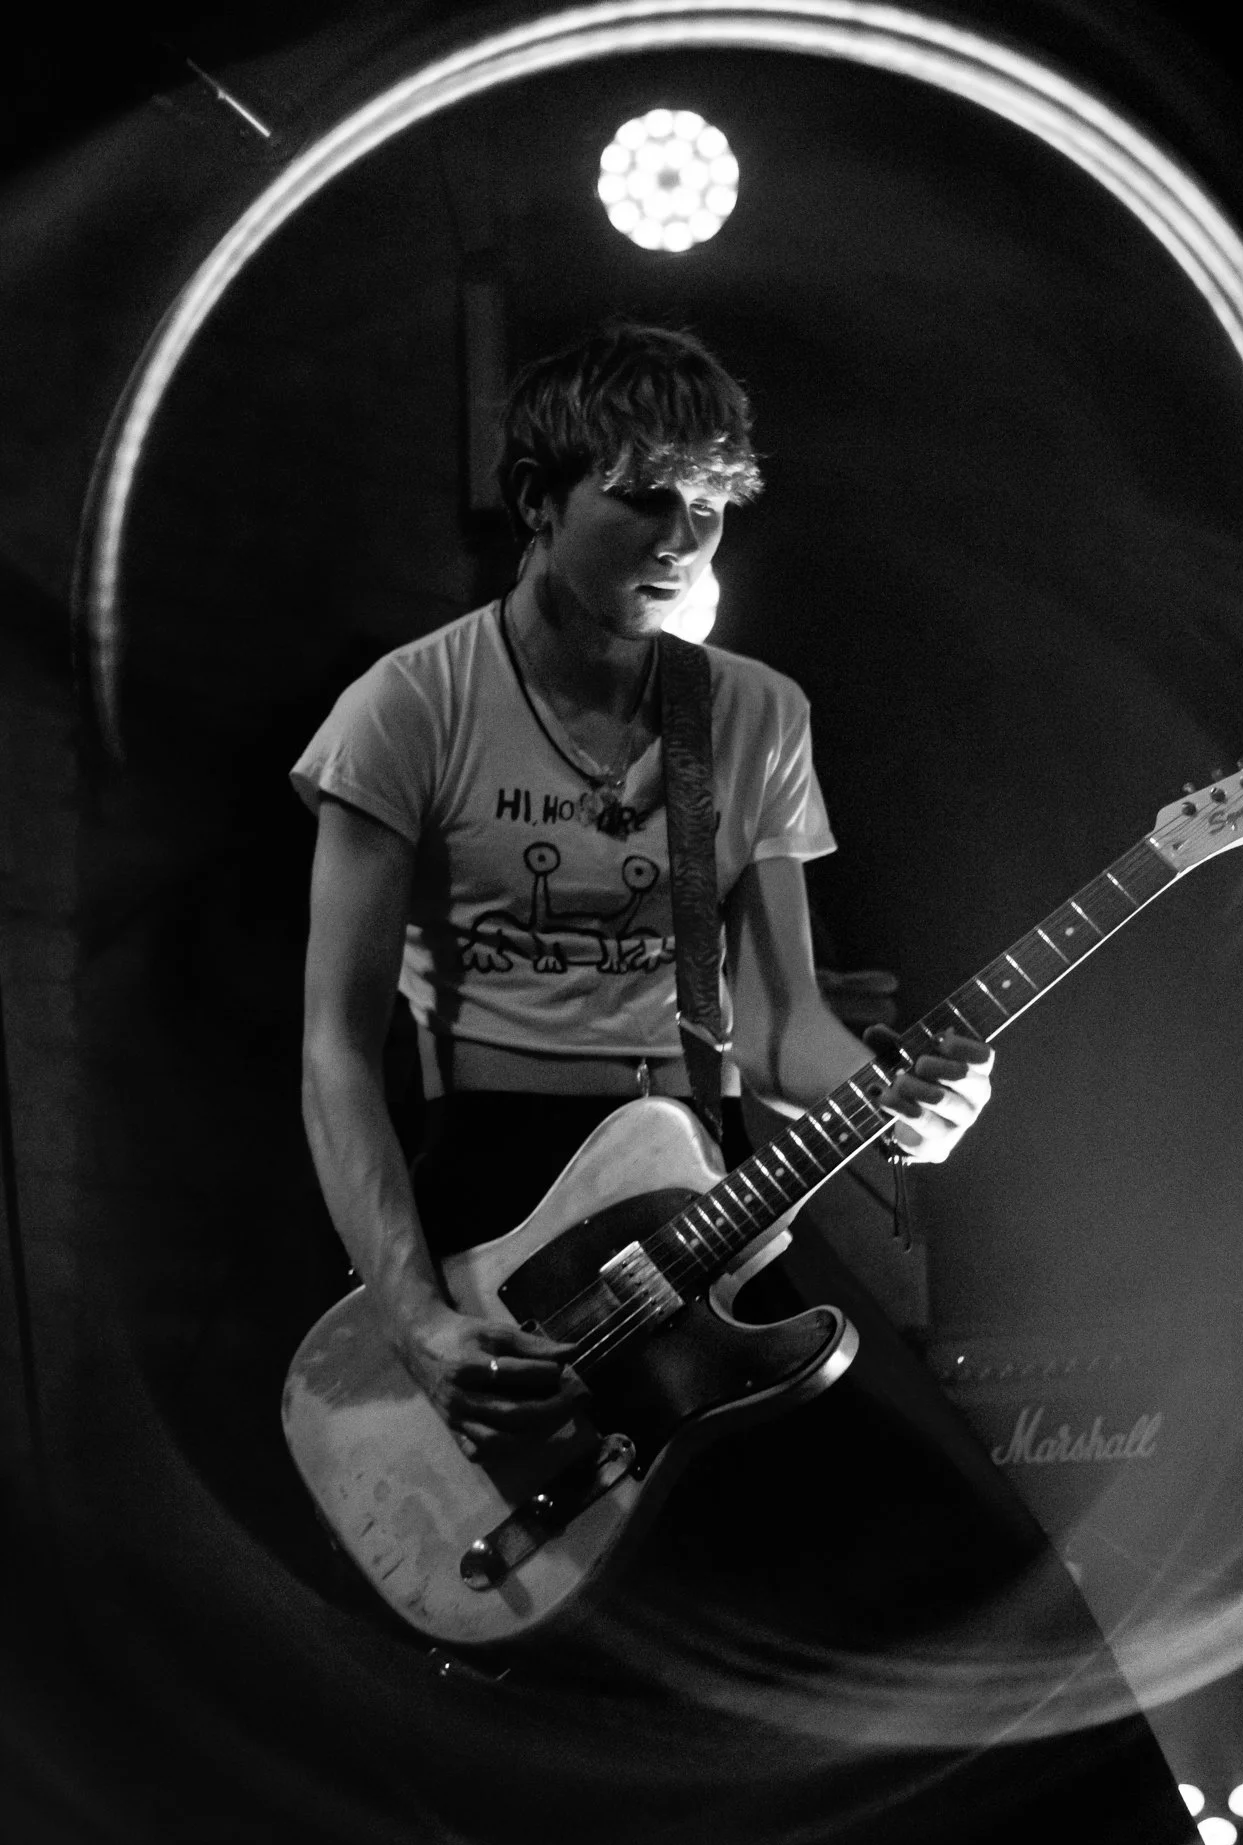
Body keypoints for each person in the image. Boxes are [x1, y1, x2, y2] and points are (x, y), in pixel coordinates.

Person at [291, 321, 993, 1458]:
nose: (682, 539)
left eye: (709, 508)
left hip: (700, 1182)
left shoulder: (756, 713)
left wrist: (899, 1105)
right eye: (644, 498)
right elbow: (335, 1050)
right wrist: (415, 1316)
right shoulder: (407, 706)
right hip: (491, 1192)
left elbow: (779, 1028)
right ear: (537, 498)